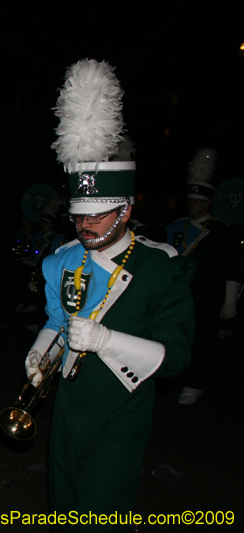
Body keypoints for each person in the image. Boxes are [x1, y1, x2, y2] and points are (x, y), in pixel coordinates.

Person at [26, 59, 195, 530]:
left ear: (126, 209)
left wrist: (106, 341)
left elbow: (179, 355)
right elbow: (58, 323)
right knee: (64, 508)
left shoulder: (160, 267)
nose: (84, 226)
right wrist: (40, 354)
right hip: (69, 411)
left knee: (101, 515)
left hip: (122, 412)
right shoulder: (63, 259)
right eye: (78, 216)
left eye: (96, 216)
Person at [165, 149, 242, 405]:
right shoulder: (176, 227)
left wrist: (230, 300)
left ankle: (194, 383)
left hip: (206, 294)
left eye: (197, 201)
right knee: (175, 335)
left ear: (208, 203)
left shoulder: (221, 231)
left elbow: (233, 266)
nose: (191, 204)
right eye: (189, 200)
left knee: (199, 339)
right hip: (178, 293)